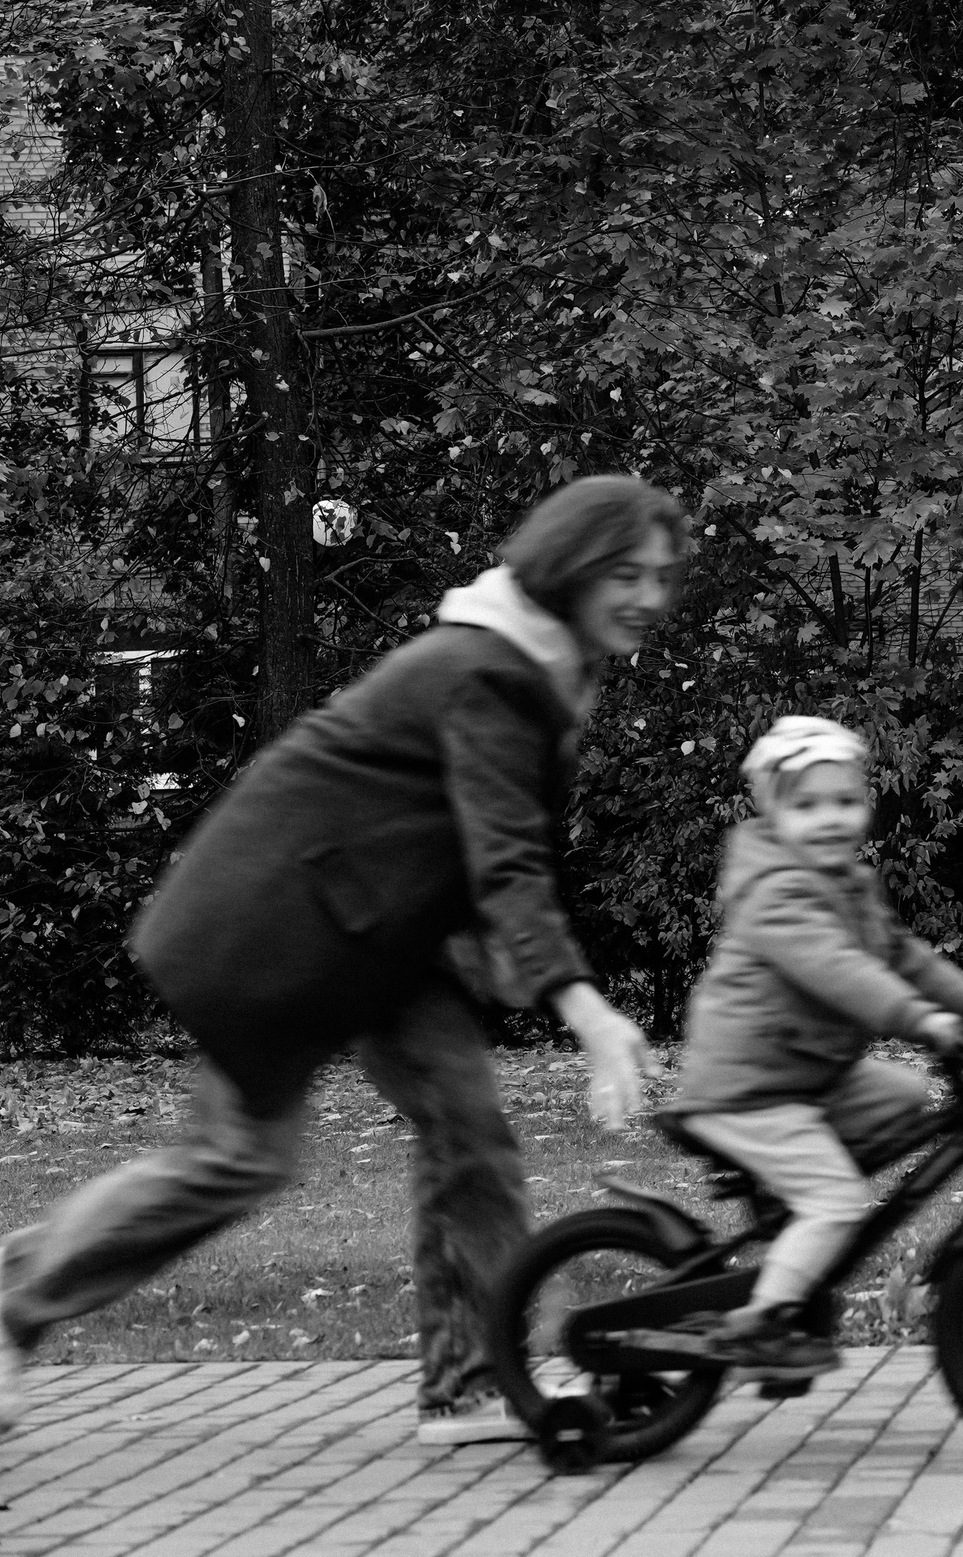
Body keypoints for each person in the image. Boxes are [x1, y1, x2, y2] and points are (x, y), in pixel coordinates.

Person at [0, 475, 678, 1442]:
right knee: (238, 1160)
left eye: (660, 575)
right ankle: (16, 1299)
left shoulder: (547, 658)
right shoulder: (485, 666)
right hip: (275, 927)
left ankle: (471, 1380)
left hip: (380, 940)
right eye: (626, 572)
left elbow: (459, 839)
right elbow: (506, 859)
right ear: (570, 564)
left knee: (471, 1133)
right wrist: (588, 1009)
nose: (648, 595)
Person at [662, 715, 963, 1377]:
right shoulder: (776, 892)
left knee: (910, 1095)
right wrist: (926, 1022)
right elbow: (840, 971)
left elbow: (900, 954)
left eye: (845, 802)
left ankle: (793, 1227)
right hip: (747, 1085)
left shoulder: (848, 883)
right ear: (772, 813)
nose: (830, 820)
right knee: (836, 1200)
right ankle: (764, 1324)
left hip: (806, 1072)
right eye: (807, 805)